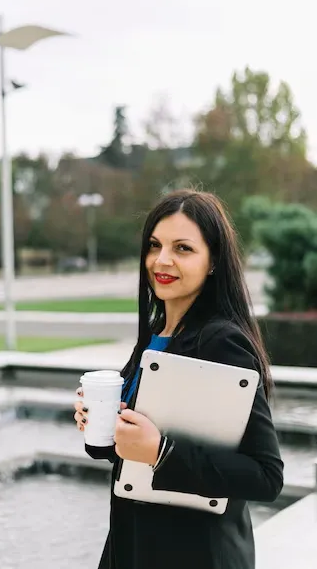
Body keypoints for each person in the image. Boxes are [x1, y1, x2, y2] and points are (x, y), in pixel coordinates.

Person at [74, 189, 284, 569]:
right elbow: (130, 457)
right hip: (135, 546)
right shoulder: (157, 334)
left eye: (183, 248)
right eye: (154, 245)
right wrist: (103, 429)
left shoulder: (221, 341)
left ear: (213, 261)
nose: (162, 260)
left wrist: (160, 451)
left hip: (196, 553)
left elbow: (266, 476)